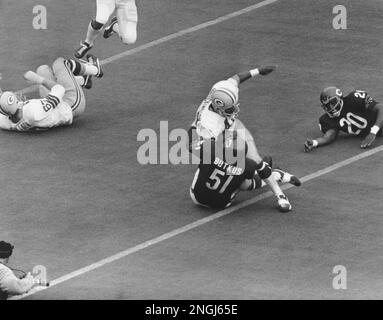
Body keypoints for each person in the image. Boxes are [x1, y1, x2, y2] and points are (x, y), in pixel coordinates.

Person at [188, 66, 301, 211]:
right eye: (230, 109)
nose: (234, 110)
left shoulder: (221, 90)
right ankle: (274, 174)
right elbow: (201, 148)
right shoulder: (209, 126)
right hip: (205, 139)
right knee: (238, 177)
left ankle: (280, 195)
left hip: (222, 131)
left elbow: (236, 78)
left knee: (255, 160)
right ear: (218, 108)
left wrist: (258, 71)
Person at [0, 54, 103, 132]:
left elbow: (4, 108)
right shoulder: (33, 111)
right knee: (59, 63)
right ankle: (95, 69)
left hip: (53, 108)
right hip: (71, 105)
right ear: (16, 104)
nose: (18, 96)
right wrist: (37, 79)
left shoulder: (8, 121)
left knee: (43, 69)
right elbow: (59, 89)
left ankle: (81, 80)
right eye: (16, 97)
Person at [304, 86, 383, 152]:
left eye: (332, 103)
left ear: (339, 99)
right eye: (327, 106)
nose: (330, 108)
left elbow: (381, 108)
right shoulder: (326, 120)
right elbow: (329, 136)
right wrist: (315, 142)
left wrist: (373, 131)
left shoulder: (354, 99)